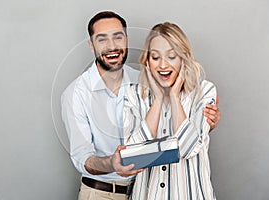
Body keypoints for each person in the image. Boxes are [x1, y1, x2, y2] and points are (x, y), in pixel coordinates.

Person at [61, 11, 220, 200]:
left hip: (141, 188)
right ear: (91, 45)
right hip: (102, 193)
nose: (112, 46)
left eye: (118, 37)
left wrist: (203, 124)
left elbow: (183, 143)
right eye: (102, 39)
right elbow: (84, 157)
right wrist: (113, 163)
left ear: (127, 40)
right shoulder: (77, 93)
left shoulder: (144, 81)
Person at [123, 22, 217, 199]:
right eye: (155, 57)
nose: (163, 65)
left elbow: (188, 148)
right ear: (147, 61)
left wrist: (174, 97)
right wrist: (158, 100)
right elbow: (132, 158)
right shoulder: (133, 95)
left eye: (172, 56)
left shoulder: (204, 91)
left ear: (183, 58)